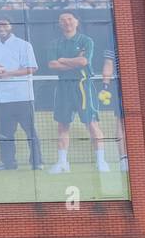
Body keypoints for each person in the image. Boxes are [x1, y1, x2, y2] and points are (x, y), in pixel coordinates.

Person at [46, 11, 108, 174]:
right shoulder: (55, 43)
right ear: (59, 24)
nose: (66, 22)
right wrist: (74, 61)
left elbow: (84, 61)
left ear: (76, 22)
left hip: (82, 85)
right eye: (62, 20)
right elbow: (52, 65)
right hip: (63, 86)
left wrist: (63, 60)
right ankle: (62, 163)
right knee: (62, 125)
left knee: (91, 123)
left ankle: (101, 162)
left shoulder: (86, 41)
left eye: (69, 19)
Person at [0, 17, 42, 171]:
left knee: (30, 130)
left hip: (24, 96)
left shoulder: (24, 45)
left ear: (11, 27)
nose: (1, 27)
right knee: (4, 133)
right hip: (2, 98)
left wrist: (8, 73)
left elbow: (32, 68)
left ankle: (36, 162)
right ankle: (8, 163)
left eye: (4, 24)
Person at [99, 44, 129, 172]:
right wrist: (105, 86)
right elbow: (108, 64)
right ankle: (124, 160)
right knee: (121, 123)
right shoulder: (113, 44)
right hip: (123, 89)